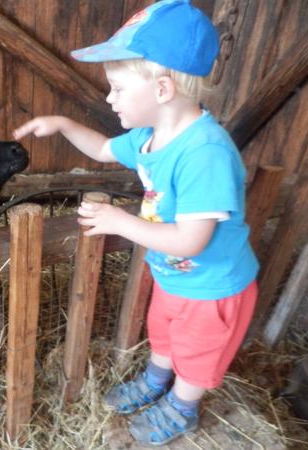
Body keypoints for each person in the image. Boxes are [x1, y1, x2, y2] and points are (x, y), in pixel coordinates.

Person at [13, 0, 259, 445]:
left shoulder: (205, 153)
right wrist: (63, 123)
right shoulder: (150, 137)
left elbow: (191, 240)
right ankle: (156, 380)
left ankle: (181, 407)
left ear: (163, 89)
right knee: (163, 332)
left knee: (196, 354)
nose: (110, 99)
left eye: (118, 89)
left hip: (212, 287)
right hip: (173, 275)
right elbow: (102, 149)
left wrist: (120, 222)